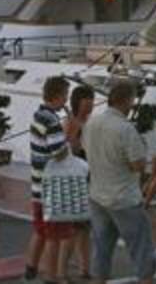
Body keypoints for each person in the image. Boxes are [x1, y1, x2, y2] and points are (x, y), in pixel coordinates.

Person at [83, 79, 156, 284]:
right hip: (124, 197)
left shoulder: (91, 122)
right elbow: (138, 165)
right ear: (127, 100)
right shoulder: (125, 129)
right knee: (141, 248)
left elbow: (85, 149)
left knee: (101, 249)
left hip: (97, 194)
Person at [25, 76, 72, 284]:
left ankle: (31, 268)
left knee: (40, 231)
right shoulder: (52, 120)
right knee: (54, 236)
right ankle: (51, 277)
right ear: (58, 95)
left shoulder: (38, 115)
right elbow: (59, 153)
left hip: (37, 185)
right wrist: (68, 135)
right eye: (66, 96)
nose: (67, 100)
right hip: (51, 186)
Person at [59, 84, 95, 282]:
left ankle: (84, 268)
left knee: (84, 228)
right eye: (86, 102)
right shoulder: (70, 122)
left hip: (89, 176)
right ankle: (62, 272)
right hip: (74, 178)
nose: (90, 106)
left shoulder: (89, 122)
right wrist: (74, 135)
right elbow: (66, 150)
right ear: (77, 102)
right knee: (72, 229)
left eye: (91, 101)